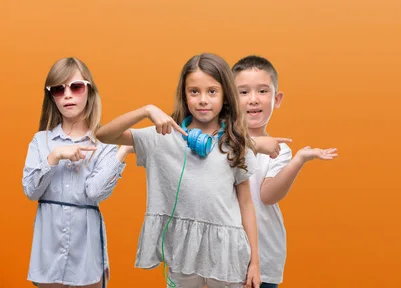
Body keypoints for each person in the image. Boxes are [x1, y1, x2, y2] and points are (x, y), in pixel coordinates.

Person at [95, 53, 279, 288]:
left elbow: (246, 204)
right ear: (184, 94)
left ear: (225, 96)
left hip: (227, 251)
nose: (203, 100)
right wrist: (146, 110)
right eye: (195, 92)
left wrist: (255, 262)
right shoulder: (161, 137)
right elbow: (103, 135)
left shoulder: (236, 143)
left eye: (212, 91)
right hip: (183, 253)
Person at [22, 57, 131, 288]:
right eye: (59, 89)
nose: (68, 94)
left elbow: (95, 192)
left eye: (76, 86)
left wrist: (122, 152)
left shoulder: (104, 144)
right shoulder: (41, 141)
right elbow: (31, 191)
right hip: (48, 250)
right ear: (51, 96)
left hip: (87, 252)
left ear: (89, 91)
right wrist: (55, 156)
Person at [232, 55, 338, 288]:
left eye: (262, 91)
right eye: (243, 92)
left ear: (277, 98)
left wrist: (298, 160)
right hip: (223, 256)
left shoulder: (278, 150)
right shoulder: (219, 144)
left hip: (265, 254)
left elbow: (268, 196)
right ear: (229, 99)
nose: (253, 100)